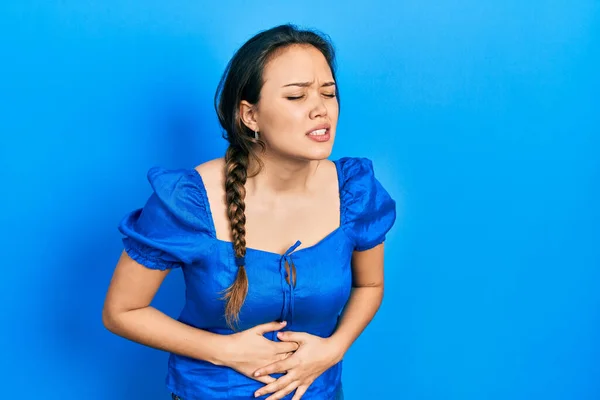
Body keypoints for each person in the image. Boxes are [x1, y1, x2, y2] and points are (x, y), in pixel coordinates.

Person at [102, 23, 397, 400]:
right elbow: (122, 310)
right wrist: (223, 351)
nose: (320, 110)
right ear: (250, 116)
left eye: (328, 93)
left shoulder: (355, 192)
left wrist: (334, 347)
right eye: (296, 96)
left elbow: (370, 285)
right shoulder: (189, 201)